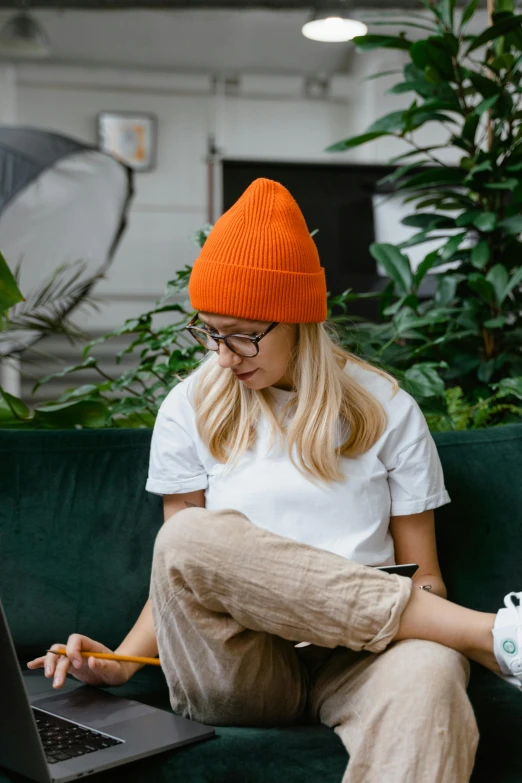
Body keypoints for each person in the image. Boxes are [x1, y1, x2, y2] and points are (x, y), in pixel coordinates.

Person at [28, 178, 522, 783]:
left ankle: (480, 641)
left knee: (432, 673)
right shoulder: (190, 407)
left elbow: (427, 578)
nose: (225, 354)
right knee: (186, 539)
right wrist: (122, 663)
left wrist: (370, 621)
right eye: (210, 331)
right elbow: (182, 573)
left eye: (242, 333)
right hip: (241, 666)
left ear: (299, 320)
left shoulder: (388, 408)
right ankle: (496, 634)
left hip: (366, 656)